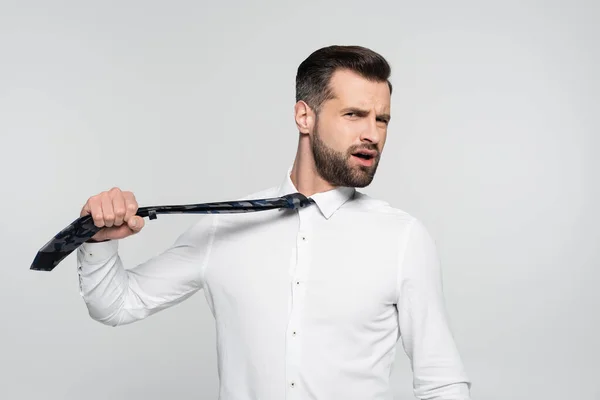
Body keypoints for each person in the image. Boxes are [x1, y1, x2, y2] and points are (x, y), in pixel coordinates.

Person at [77, 45, 472, 400]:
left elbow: (442, 383)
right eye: (354, 115)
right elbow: (115, 305)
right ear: (305, 116)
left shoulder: (402, 239)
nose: (372, 134)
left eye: (382, 119)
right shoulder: (223, 227)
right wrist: (97, 240)